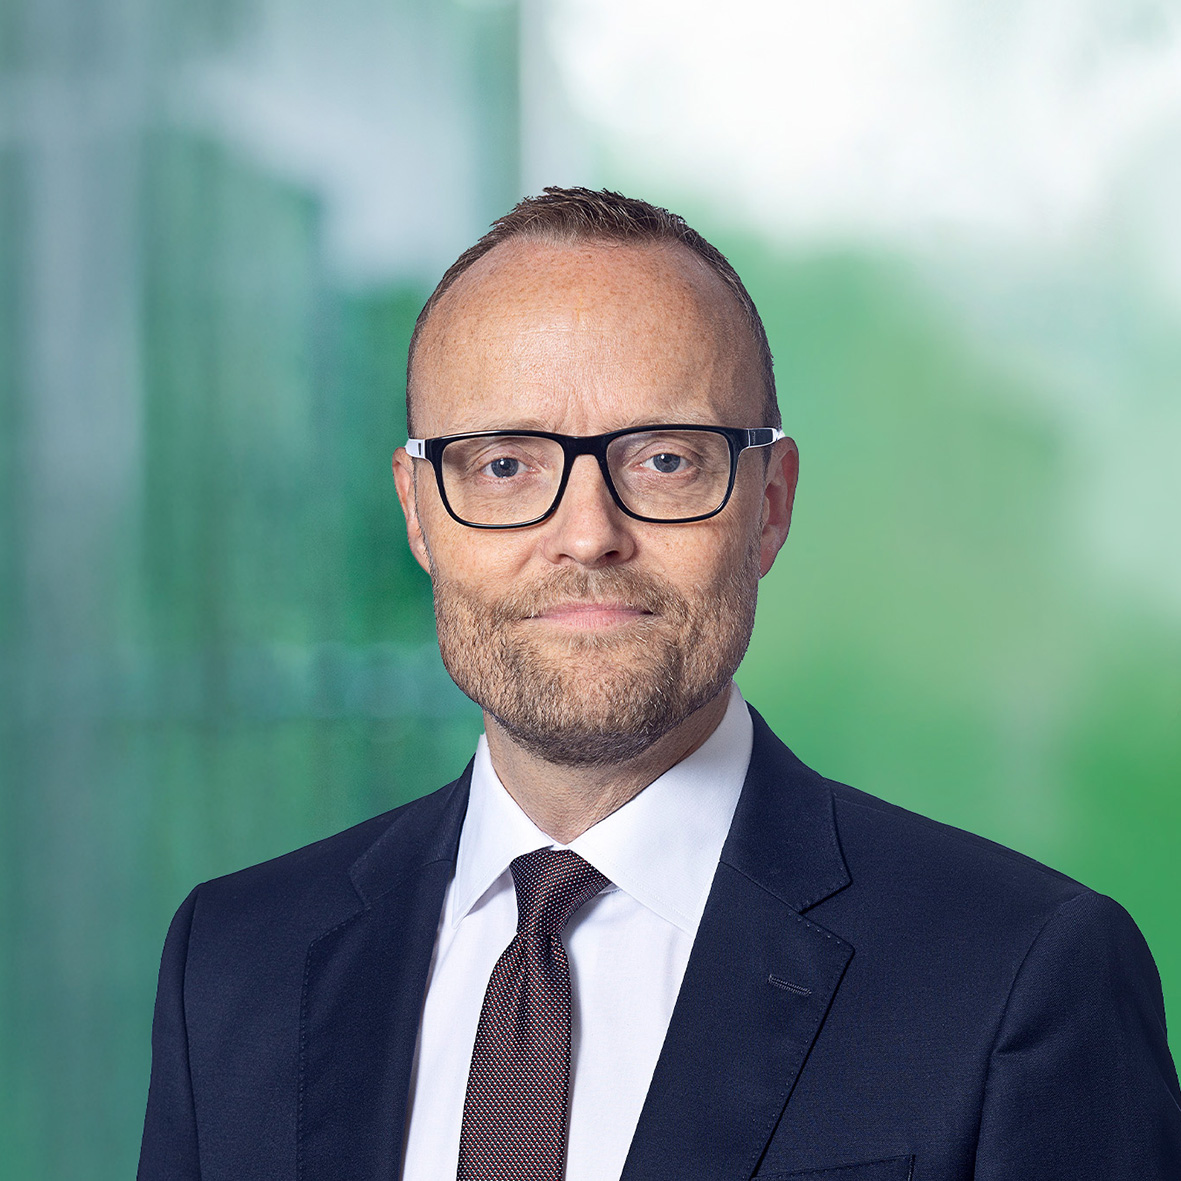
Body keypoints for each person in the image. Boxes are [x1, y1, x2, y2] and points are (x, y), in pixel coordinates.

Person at [138, 187, 1181, 1181]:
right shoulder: (232, 962)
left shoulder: (1019, 975)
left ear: (768, 505)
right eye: (503, 465)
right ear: (418, 510)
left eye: (666, 460)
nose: (587, 534)